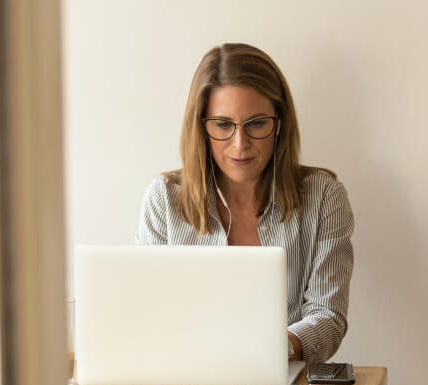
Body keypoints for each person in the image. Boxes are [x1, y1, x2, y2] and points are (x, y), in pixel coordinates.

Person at [136, 43, 354, 363]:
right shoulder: (163, 199)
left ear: (279, 123)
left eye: (256, 124)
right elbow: (147, 316)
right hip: (185, 381)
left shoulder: (323, 196)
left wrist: (271, 350)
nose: (240, 145)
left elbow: (328, 318)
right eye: (223, 125)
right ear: (202, 127)